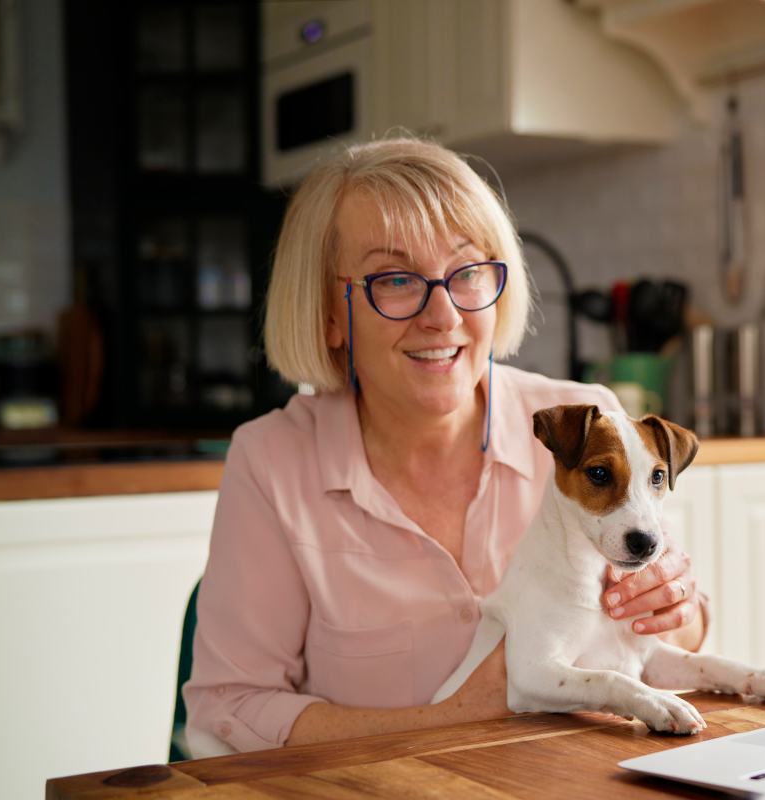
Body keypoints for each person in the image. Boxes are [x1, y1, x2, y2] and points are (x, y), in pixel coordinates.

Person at [182, 138, 707, 758]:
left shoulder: (585, 423)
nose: (443, 314)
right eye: (396, 279)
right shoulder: (272, 462)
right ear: (329, 312)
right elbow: (228, 714)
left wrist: (673, 605)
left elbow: (677, 633)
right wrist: (458, 716)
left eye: (467, 271)